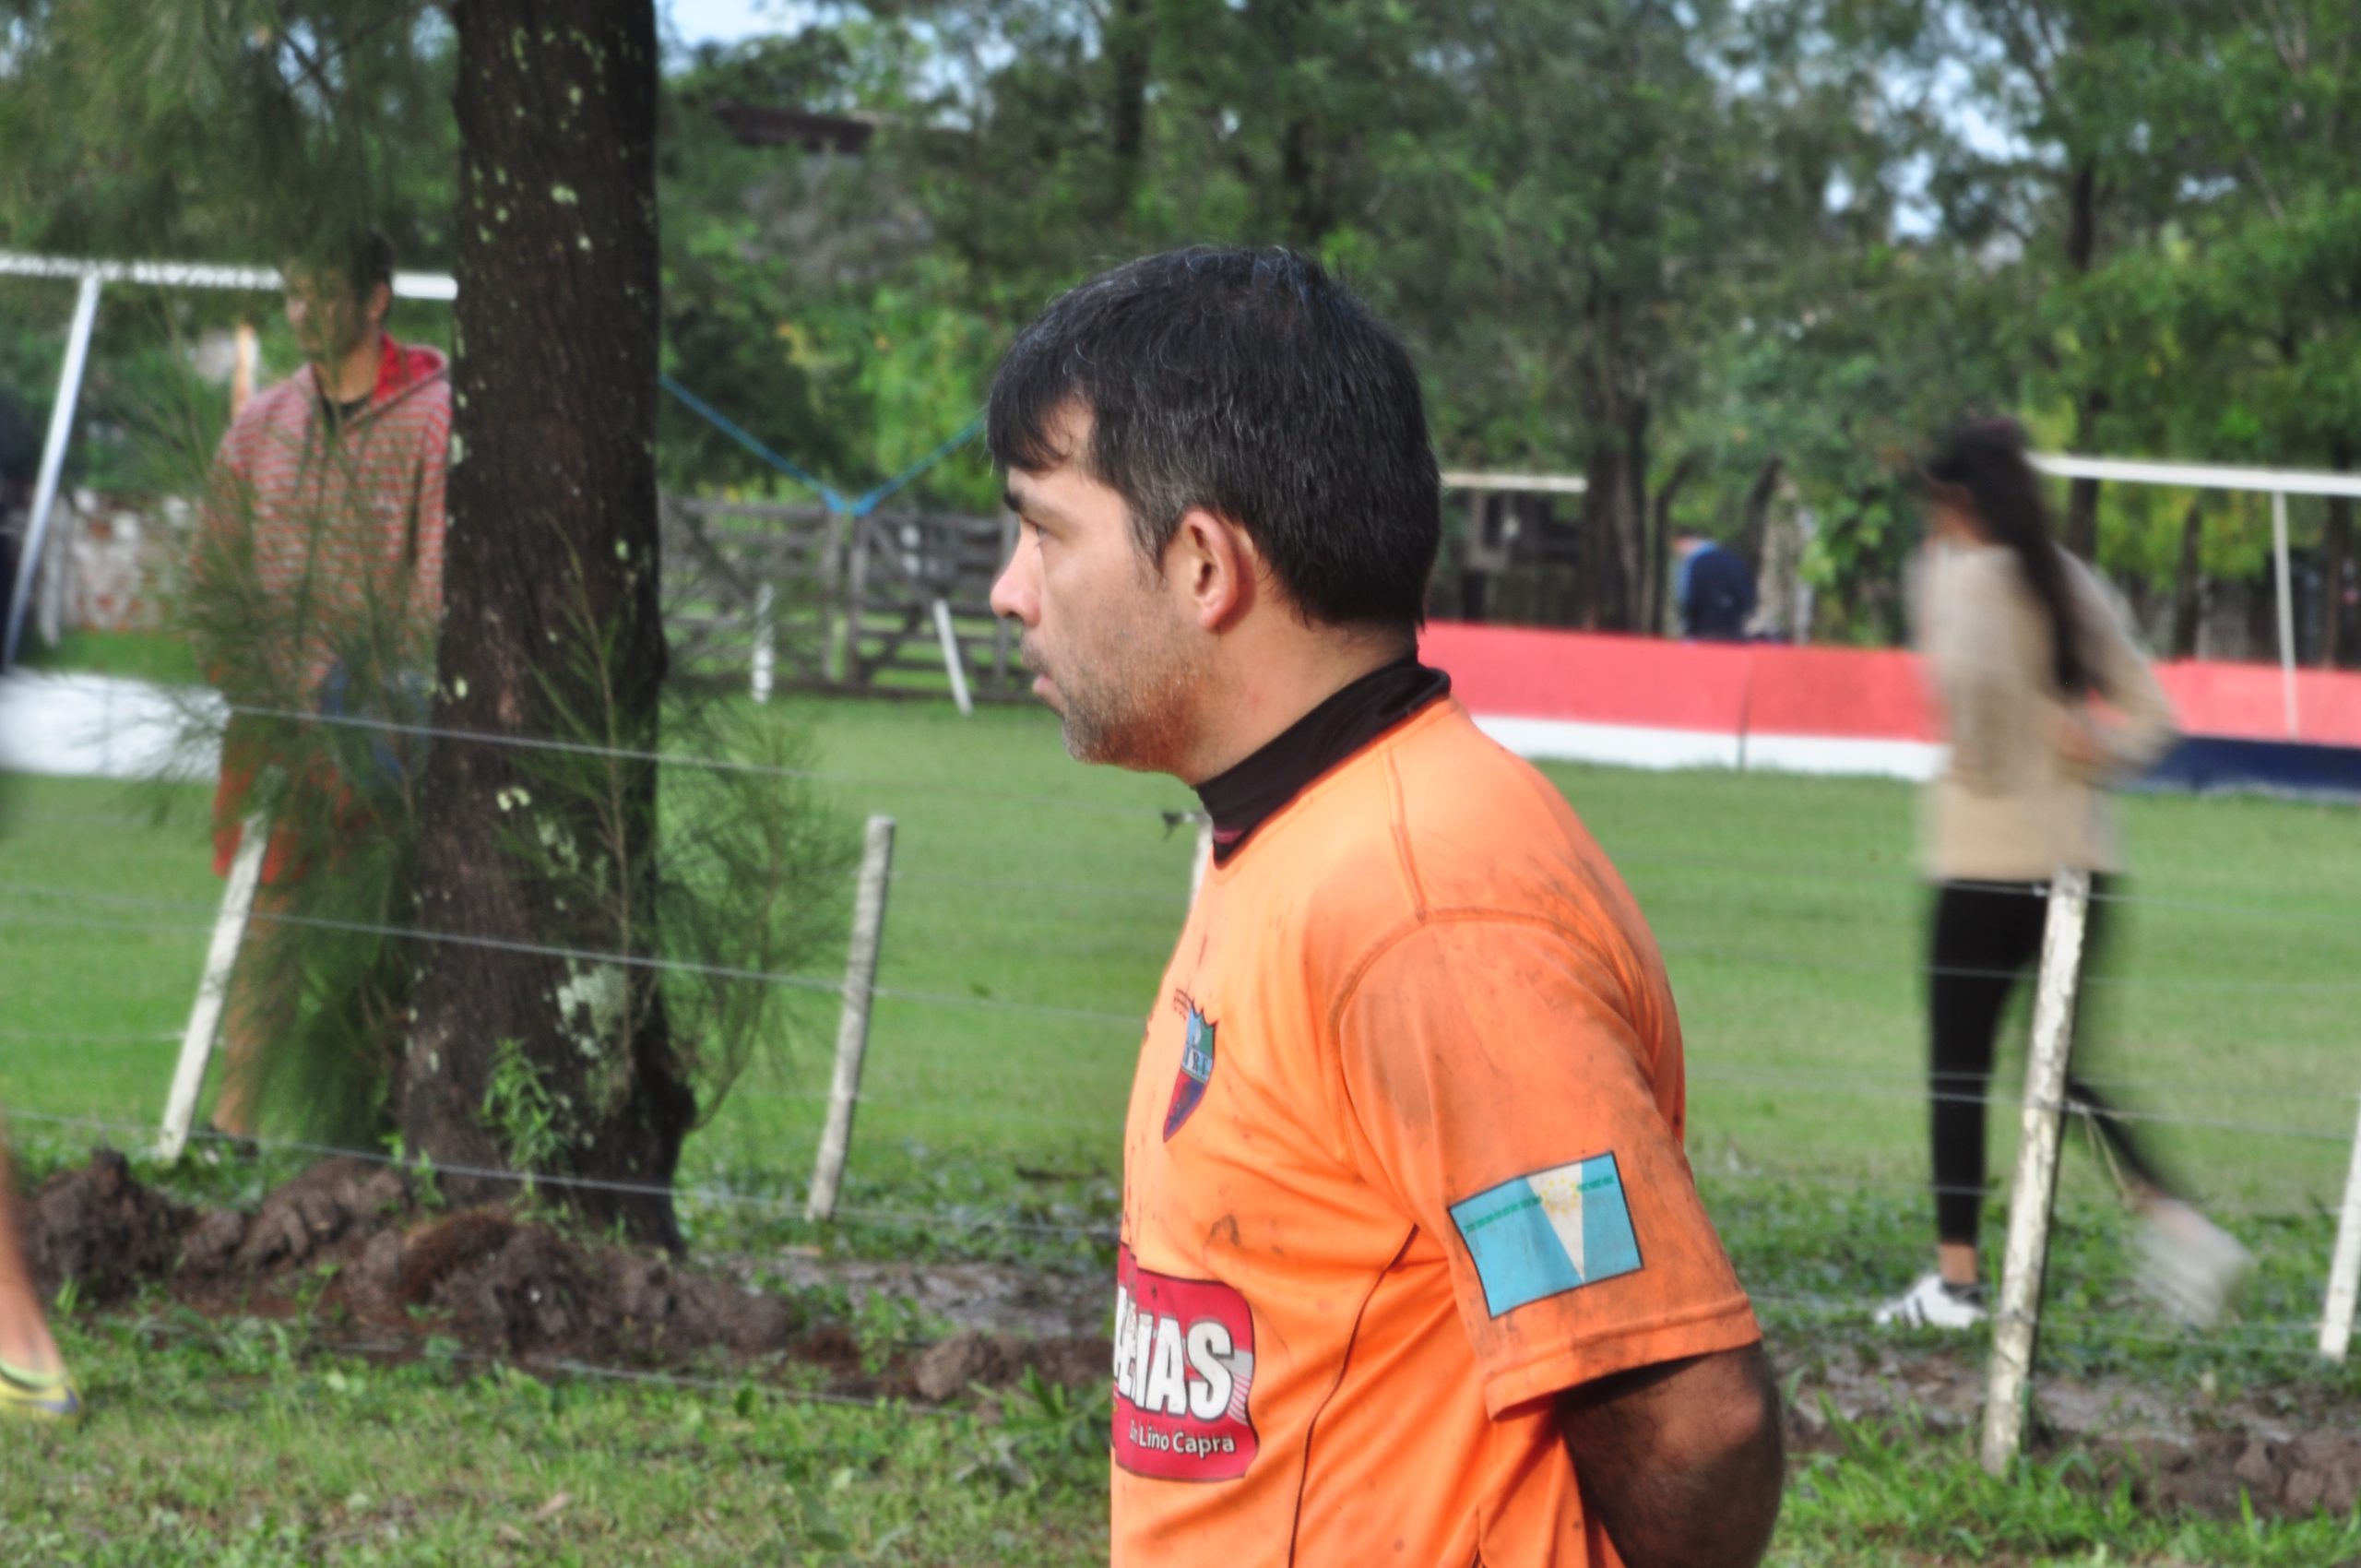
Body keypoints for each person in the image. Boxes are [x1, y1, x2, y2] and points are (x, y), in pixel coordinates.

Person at [987, 248, 1781, 1568]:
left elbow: (1688, 1421)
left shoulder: (1427, 911)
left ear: (1201, 565)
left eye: (1044, 529)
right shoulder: (1293, 832)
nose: (1011, 588)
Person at [1876, 418, 2249, 1332]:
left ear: (1956, 502)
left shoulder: (1952, 580)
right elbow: (2154, 719)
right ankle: (2181, 1221)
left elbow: (1962, 722)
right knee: (2065, 1071)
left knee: (1957, 1070)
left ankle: (1957, 1282)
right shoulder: (2070, 581)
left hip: (1979, 866)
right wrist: (2095, 749)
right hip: (2079, 867)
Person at [192, 228, 449, 1143]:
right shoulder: (262, 422)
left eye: (320, 292)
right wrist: (245, 675)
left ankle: (365, 1138)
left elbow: (437, 580)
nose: (302, 311)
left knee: (383, 928)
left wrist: (382, 697)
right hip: (272, 720)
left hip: (385, 724)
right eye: (292, 292)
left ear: (374, 297)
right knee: (267, 923)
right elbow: (212, 574)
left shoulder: (434, 413)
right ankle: (235, 1126)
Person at [1674, 525, 1755, 640]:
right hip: (1733, 625)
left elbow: (1688, 597)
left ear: (1684, 542)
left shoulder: (1694, 563)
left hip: (1703, 628)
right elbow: (1746, 591)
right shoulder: (1732, 559)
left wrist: (1688, 623)